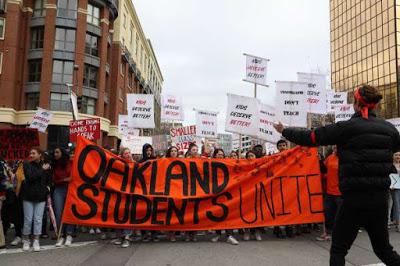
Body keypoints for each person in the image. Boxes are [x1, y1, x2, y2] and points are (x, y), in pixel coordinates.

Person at [273, 84, 400, 266]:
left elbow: (311, 137)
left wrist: (284, 131)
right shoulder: (389, 130)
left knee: (339, 249)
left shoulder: (346, 128)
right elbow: (394, 149)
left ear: (356, 104)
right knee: (383, 249)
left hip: (354, 198)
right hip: (380, 199)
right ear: (376, 105)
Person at [20, 148, 51, 252]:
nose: (31, 155)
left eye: (34, 153)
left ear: (40, 154)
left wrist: (48, 187)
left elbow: (49, 178)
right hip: (28, 195)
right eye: (30, 153)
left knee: (38, 219)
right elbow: (30, 177)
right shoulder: (26, 164)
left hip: (41, 196)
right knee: (28, 219)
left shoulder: (46, 164)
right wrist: (42, 169)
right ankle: (26, 239)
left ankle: (36, 240)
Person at [210, 149, 239, 245]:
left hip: (227, 192)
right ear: (214, 155)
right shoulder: (209, 164)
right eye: (219, 154)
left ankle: (229, 235)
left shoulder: (228, 163)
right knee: (217, 213)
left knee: (227, 214)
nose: (221, 156)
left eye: (222, 154)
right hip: (215, 192)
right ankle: (218, 233)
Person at [317, 146, 342, 241]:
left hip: (341, 193)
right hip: (329, 192)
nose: (336, 149)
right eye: (334, 148)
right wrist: (319, 161)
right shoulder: (330, 158)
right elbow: (324, 169)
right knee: (328, 214)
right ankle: (328, 233)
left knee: (339, 215)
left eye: (337, 147)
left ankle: (339, 234)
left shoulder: (345, 159)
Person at [112, 147, 134, 248]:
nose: (128, 154)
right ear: (122, 155)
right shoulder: (118, 165)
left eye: (129, 152)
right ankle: (120, 236)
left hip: (130, 194)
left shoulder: (135, 165)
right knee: (119, 214)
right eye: (126, 153)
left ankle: (127, 237)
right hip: (119, 193)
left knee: (127, 214)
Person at [52, 147, 74, 247]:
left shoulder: (71, 162)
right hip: (58, 190)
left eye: (57, 152)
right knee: (58, 213)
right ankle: (60, 235)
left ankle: (69, 235)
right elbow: (54, 180)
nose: (55, 154)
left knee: (69, 212)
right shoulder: (54, 164)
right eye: (54, 152)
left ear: (62, 153)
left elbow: (75, 175)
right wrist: (65, 179)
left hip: (70, 190)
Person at [139, 144, 159, 242]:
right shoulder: (140, 162)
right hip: (143, 190)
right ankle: (144, 234)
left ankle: (153, 234)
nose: (149, 152)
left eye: (150, 150)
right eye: (147, 150)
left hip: (153, 190)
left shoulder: (155, 160)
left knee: (154, 212)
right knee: (143, 212)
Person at [242, 150, 262, 241]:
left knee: (258, 213)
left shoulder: (261, 165)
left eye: (252, 155)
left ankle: (257, 231)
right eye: (248, 156)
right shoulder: (244, 167)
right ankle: (247, 231)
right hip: (247, 192)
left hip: (258, 191)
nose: (250, 158)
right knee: (247, 212)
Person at [184, 143, 199, 242]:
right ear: (190, 151)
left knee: (196, 212)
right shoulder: (184, 161)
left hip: (197, 189)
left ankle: (194, 234)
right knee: (186, 212)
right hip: (186, 189)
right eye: (194, 149)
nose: (196, 151)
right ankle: (187, 233)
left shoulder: (200, 160)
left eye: (197, 149)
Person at [165, 146, 179, 242]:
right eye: (172, 151)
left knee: (176, 212)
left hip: (178, 190)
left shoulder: (182, 162)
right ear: (169, 152)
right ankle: (169, 232)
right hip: (168, 190)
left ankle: (173, 233)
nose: (173, 152)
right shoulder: (164, 162)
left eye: (175, 151)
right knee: (169, 212)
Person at [390, 152, 400, 232]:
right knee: (393, 205)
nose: (398, 156)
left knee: (397, 205)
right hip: (392, 188)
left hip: (399, 187)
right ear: (393, 156)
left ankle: (396, 222)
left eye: (399, 155)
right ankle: (398, 224)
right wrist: (390, 184)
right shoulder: (390, 165)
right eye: (396, 155)